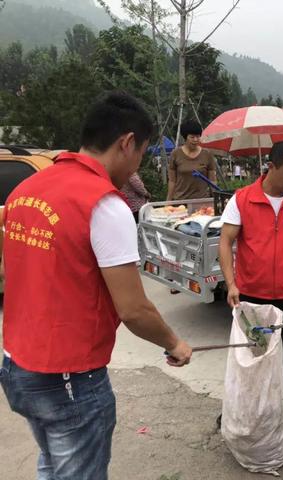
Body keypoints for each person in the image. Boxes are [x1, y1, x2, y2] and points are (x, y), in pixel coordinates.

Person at [0, 91, 193, 479]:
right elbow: (134, 309)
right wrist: (175, 343)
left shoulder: (25, 190)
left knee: (53, 462)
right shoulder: (104, 205)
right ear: (126, 143)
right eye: (141, 152)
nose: (138, 162)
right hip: (69, 376)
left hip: (17, 364)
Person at [219, 141, 283, 445]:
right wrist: (231, 284)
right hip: (252, 296)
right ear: (272, 166)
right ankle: (239, 410)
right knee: (250, 358)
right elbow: (225, 242)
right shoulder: (242, 200)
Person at [167, 120, 218, 201]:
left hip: (202, 201)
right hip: (181, 201)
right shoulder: (175, 154)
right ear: (185, 137)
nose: (195, 139)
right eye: (192, 137)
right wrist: (168, 202)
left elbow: (212, 180)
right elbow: (172, 181)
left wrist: (215, 200)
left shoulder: (207, 154)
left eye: (198, 136)